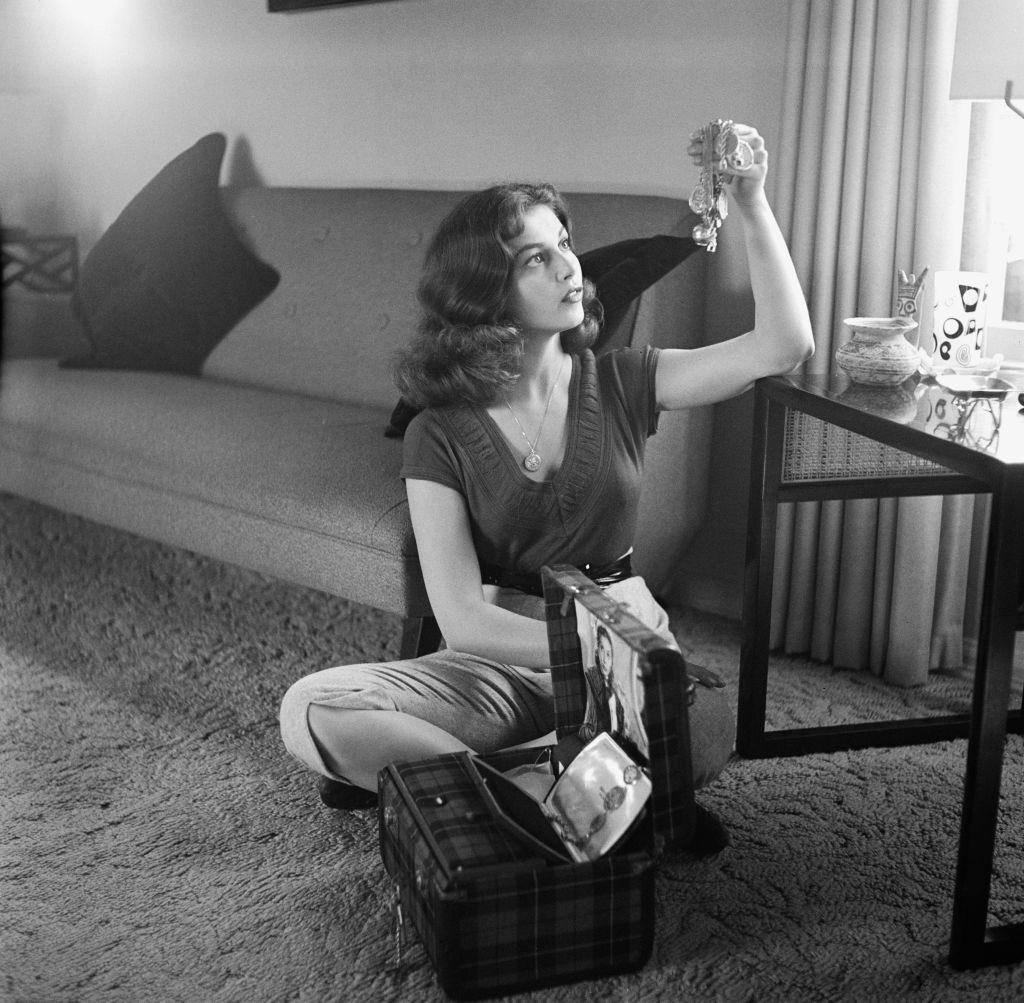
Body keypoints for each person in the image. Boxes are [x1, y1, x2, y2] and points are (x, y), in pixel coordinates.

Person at [279, 124, 814, 842]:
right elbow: (464, 615)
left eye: (564, 242)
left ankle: (441, 780)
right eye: (538, 256)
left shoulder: (627, 379)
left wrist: (752, 203)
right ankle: (545, 795)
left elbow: (782, 345)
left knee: (709, 724)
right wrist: (586, 646)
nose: (570, 267)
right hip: (495, 660)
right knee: (311, 707)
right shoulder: (437, 432)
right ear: (485, 291)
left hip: (617, 659)